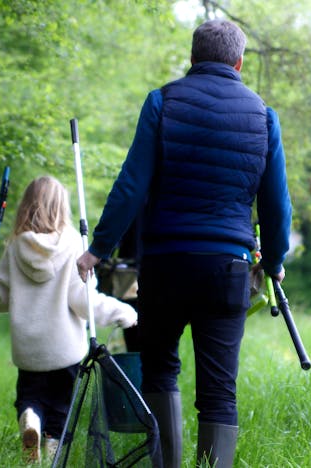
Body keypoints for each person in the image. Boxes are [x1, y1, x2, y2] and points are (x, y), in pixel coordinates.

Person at [76, 19, 292, 468]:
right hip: (228, 269)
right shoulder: (263, 116)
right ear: (239, 61)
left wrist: (97, 250)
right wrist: (273, 261)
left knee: (159, 369)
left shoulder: (162, 102)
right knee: (219, 389)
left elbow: (131, 187)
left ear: (193, 58)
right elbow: (276, 205)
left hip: (165, 265)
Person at [0, 175, 138, 463]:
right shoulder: (74, 244)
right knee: (62, 406)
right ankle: (51, 451)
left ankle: (30, 418)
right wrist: (122, 311)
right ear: (62, 208)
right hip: (65, 350)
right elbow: (83, 301)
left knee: (31, 396)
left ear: (26, 207)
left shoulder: (15, 247)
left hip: (29, 349)